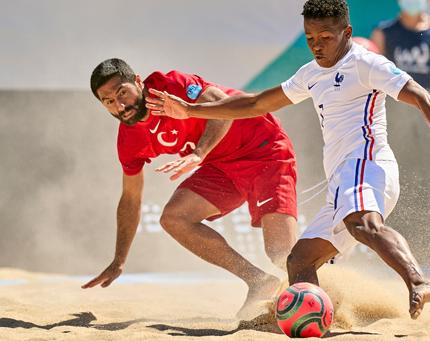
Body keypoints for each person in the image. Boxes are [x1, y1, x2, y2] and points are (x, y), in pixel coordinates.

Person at [145, 0, 430, 320]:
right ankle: (318, 317)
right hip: (342, 181)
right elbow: (254, 104)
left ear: (347, 33)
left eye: (326, 37)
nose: (317, 44)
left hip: (366, 165)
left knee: (363, 225)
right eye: (311, 37)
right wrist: (191, 111)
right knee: (298, 261)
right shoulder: (310, 74)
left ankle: (418, 282)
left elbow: (422, 96)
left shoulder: (365, 63)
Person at [82, 58, 299, 319]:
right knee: (174, 218)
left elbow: (217, 99)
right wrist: (119, 261)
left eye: (122, 93)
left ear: (138, 82)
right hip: (220, 164)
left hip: (262, 147)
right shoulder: (129, 139)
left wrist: (199, 152)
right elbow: (130, 199)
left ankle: (324, 293)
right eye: (109, 102)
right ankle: (259, 281)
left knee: (280, 254)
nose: (120, 106)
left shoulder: (166, 85)